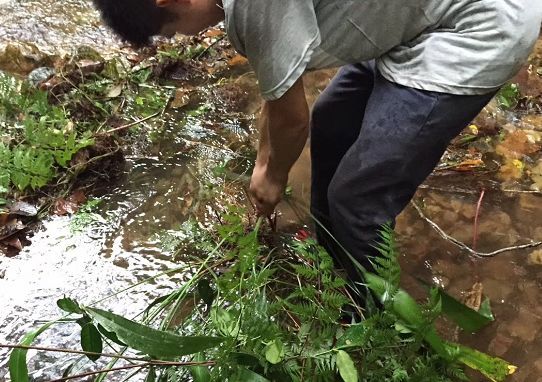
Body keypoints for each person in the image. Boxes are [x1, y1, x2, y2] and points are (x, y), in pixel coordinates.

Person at [93, 0, 542, 284]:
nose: (184, 37)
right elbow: (279, 90)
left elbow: (291, 120)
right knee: (331, 125)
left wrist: (274, 176)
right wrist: (263, 162)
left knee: (357, 197)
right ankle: (332, 250)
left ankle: (364, 311)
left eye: (171, 30)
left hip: (478, 27)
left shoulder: (255, 9)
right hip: (407, 18)